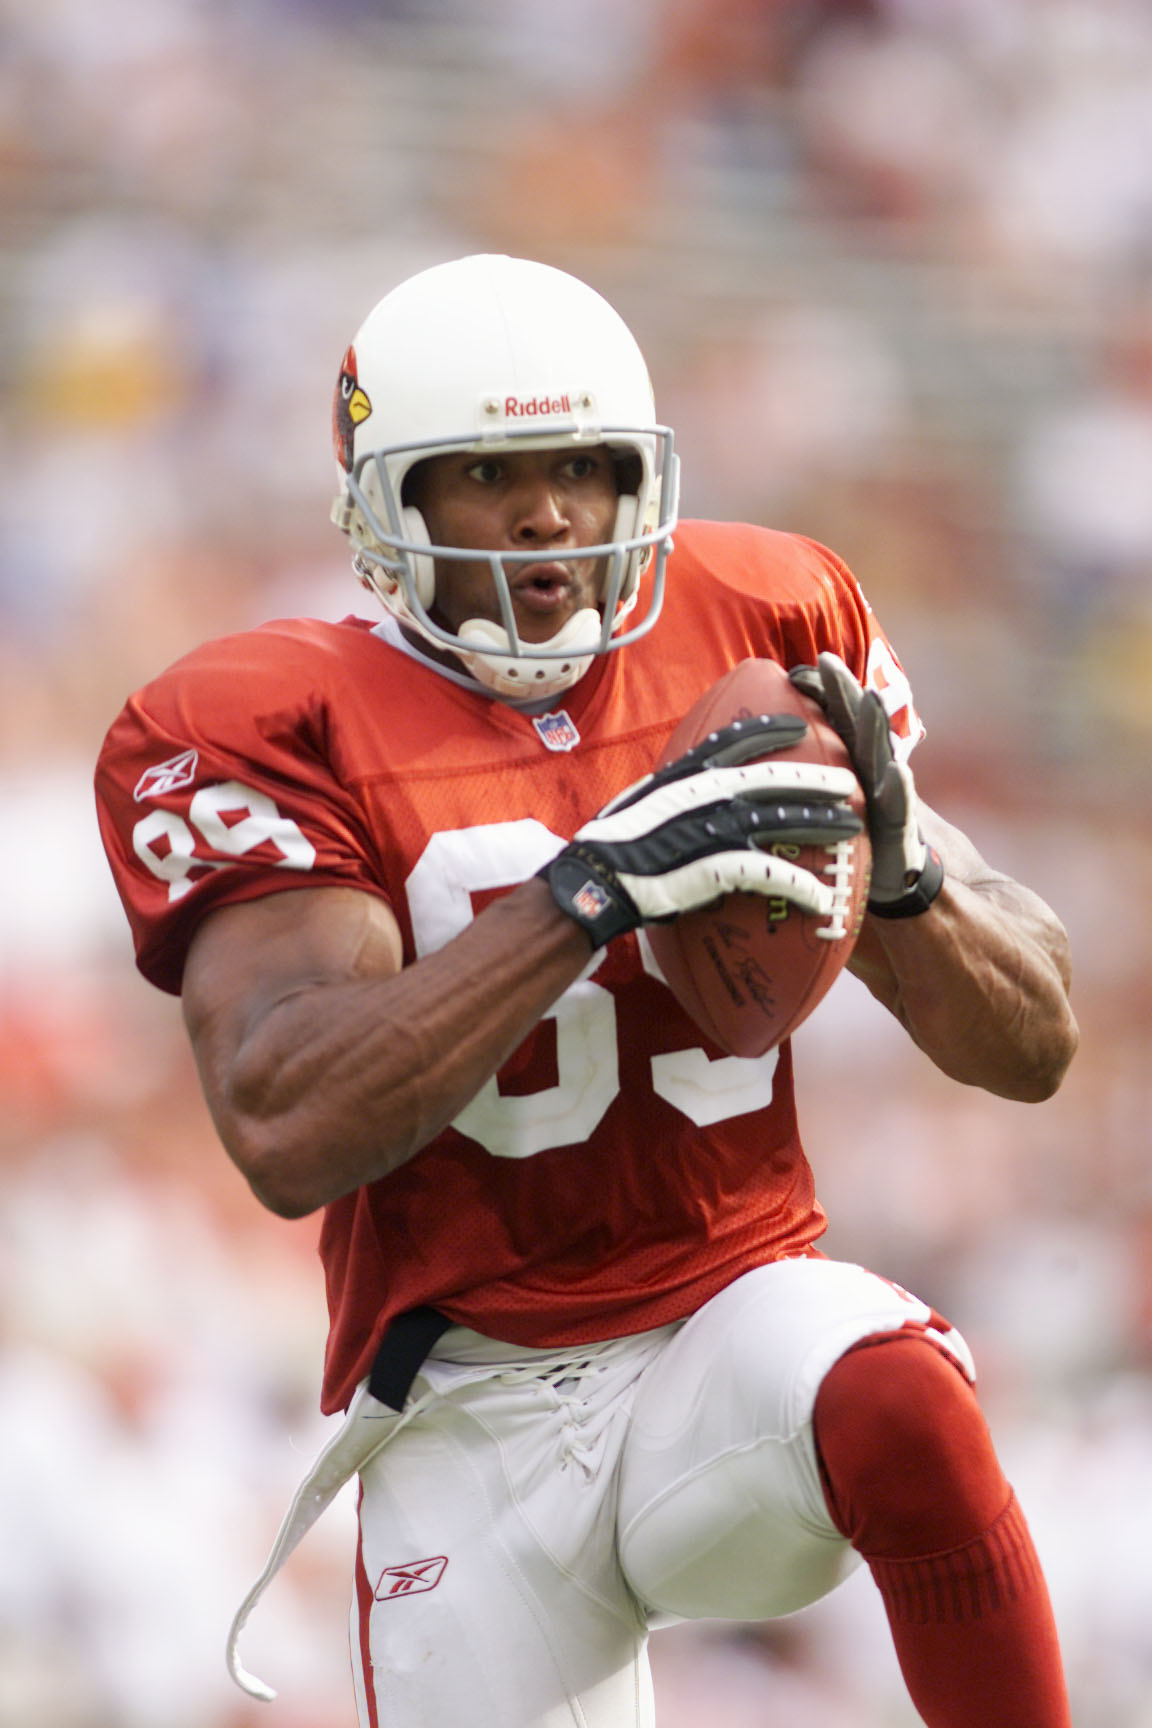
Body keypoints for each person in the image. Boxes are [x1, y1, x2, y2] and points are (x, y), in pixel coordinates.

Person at [94, 253, 1079, 1728]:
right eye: (489, 470)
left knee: (899, 1391)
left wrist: (903, 880)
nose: (547, 510)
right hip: (472, 1408)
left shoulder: (761, 633)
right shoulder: (265, 718)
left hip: (727, 1332)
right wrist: (589, 891)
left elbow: (1036, 1040)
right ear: (386, 506)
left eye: (583, 466)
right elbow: (285, 1126)